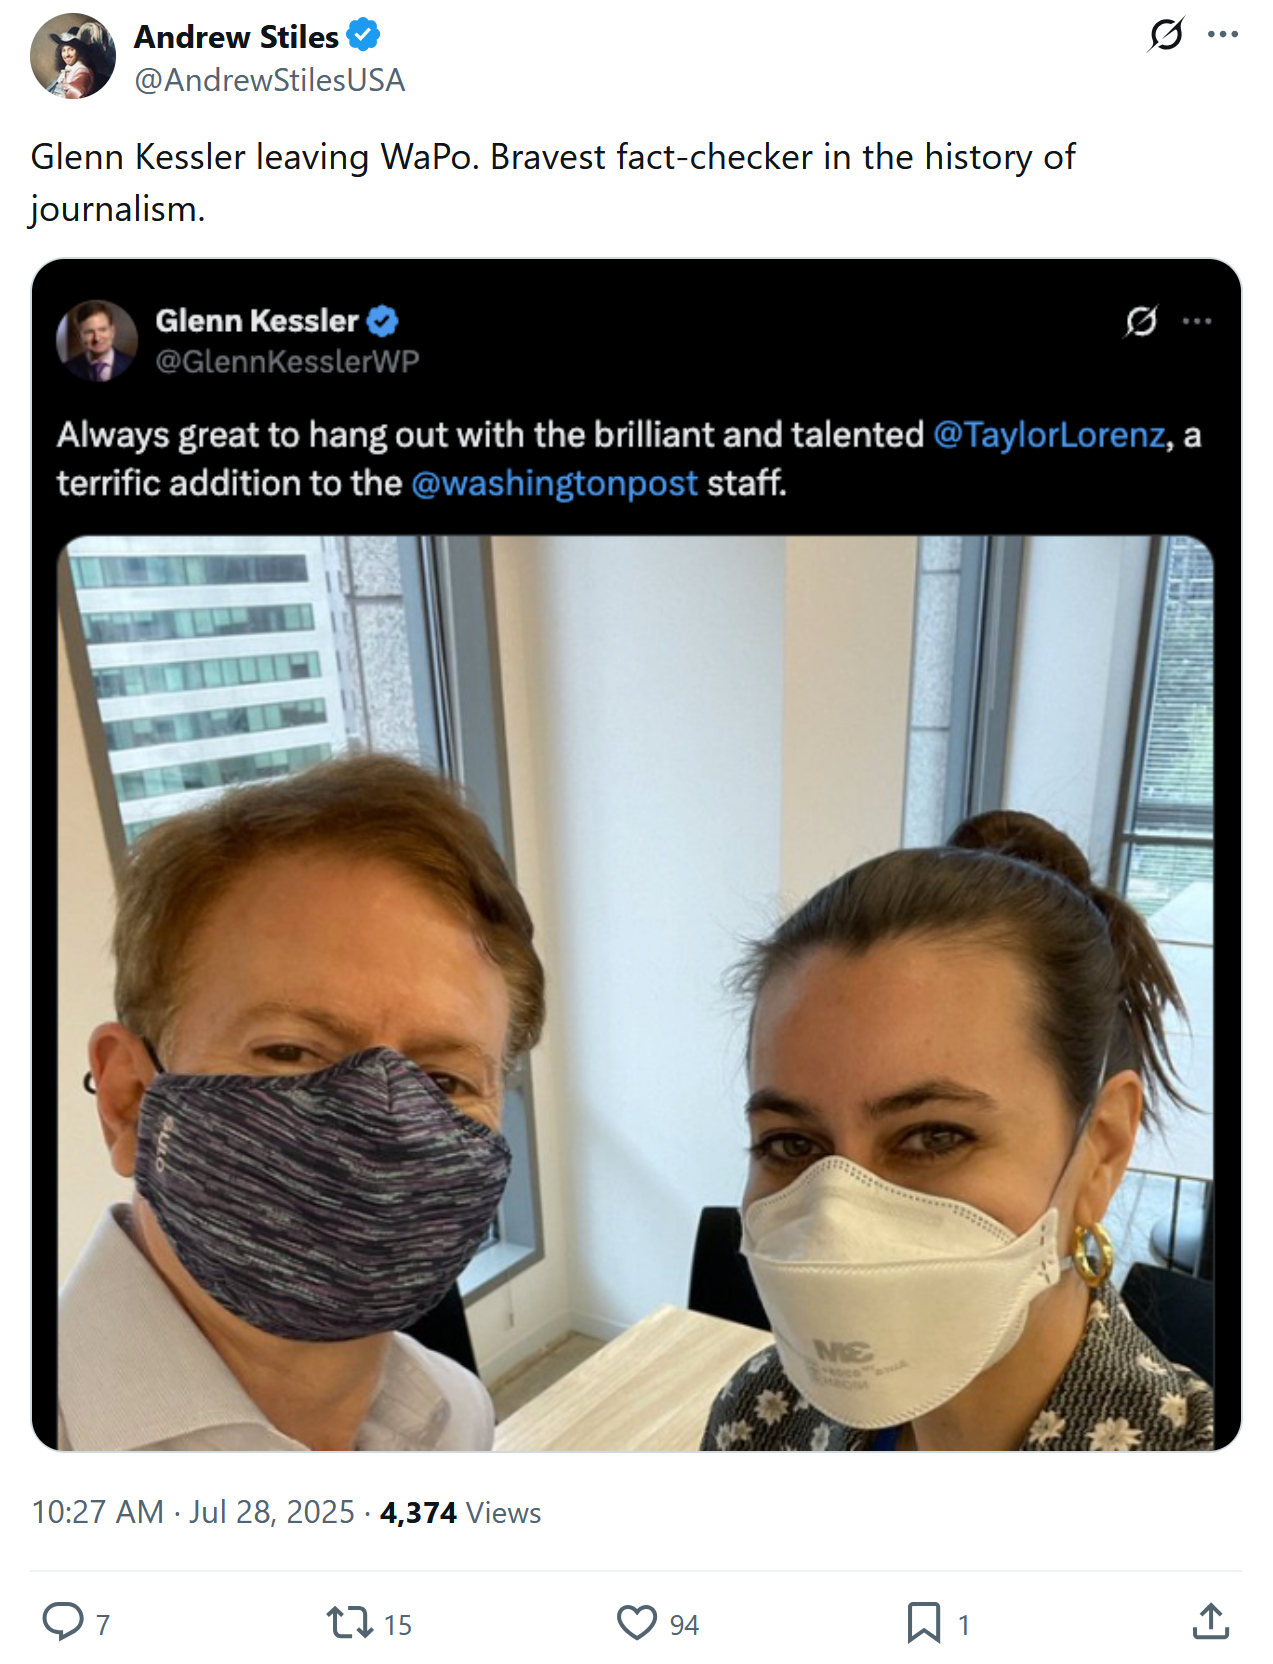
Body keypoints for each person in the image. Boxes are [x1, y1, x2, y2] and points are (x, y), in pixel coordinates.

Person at [59, 753, 546, 1451]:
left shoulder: (455, 1413)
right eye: (289, 1051)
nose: (383, 1123)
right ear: (129, 1100)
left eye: (443, 1082)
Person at [702, 811, 1213, 1452]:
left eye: (934, 1137)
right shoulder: (760, 1414)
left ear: (1102, 1149)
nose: (836, 1221)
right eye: (791, 1144)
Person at [64, 301, 133, 381]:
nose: (97, 338)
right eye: (89, 332)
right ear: (80, 335)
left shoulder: (129, 362)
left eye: (102, 330)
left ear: (112, 331)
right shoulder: (69, 367)